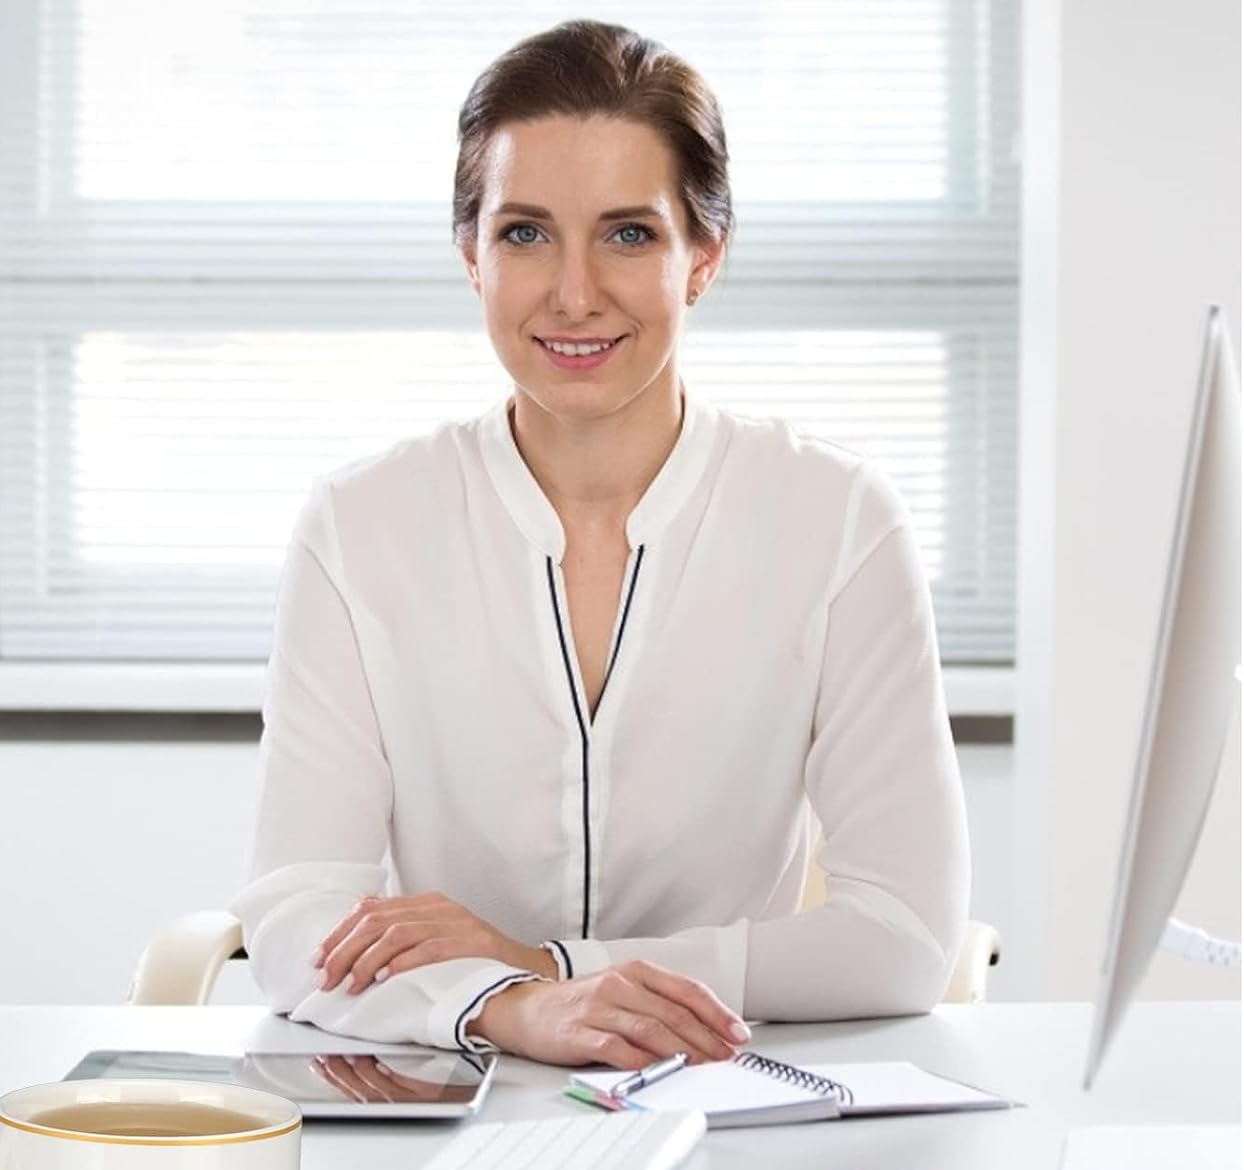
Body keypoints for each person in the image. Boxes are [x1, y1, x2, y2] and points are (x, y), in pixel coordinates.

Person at [230, 19, 970, 1071]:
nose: (574, 294)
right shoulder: (360, 526)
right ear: (471, 257)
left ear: (703, 257)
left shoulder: (838, 518)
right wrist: (510, 1005)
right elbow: (296, 912)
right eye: (525, 234)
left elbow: (906, 940)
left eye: (628, 234)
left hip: (733, 1093)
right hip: (447, 1090)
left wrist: (552, 965)